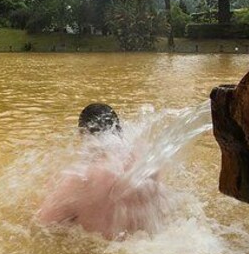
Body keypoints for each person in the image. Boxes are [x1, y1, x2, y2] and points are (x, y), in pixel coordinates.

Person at [37, 103, 170, 240]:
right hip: (150, 243)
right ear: (119, 130)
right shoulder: (146, 164)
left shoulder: (81, 178)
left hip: (105, 250)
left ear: (84, 135)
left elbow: (44, 224)